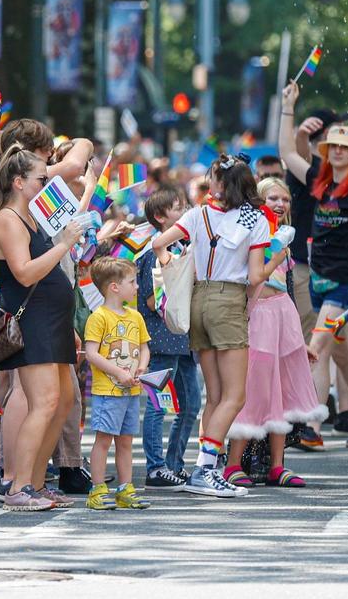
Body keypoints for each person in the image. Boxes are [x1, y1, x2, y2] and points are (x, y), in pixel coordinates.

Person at [278, 82, 348, 448]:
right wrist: (288, 108)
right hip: (317, 281)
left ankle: (310, 426)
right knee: (342, 355)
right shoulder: (319, 184)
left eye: (345, 148)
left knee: (316, 347)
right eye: (334, 146)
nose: (338, 152)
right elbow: (285, 152)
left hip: (342, 284)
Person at [153, 153, 268, 497]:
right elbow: (257, 274)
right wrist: (280, 252)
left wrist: (173, 267)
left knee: (215, 395)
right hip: (228, 301)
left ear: (221, 184)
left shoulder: (196, 214)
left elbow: (158, 243)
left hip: (198, 300)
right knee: (235, 395)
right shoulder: (255, 220)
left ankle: (204, 467)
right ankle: (205, 469)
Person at [0, 144, 82, 511]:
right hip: (33, 321)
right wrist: (66, 244)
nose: (47, 182)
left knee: (62, 402)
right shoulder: (8, 219)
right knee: (44, 403)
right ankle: (18, 486)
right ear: (19, 182)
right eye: (42, 178)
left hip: (51, 320)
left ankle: (36, 483)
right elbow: (24, 272)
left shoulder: (30, 216)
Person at [225, 177, 324, 488]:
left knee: (281, 390)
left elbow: (289, 287)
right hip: (258, 316)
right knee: (252, 387)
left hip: (285, 318)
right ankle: (232, 464)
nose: (280, 204)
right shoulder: (251, 235)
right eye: (273, 199)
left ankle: (277, 466)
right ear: (259, 202)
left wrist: (301, 341)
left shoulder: (286, 237)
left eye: (285, 199)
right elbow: (248, 281)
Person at [137, 187, 201, 489]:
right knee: (157, 404)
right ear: (161, 218)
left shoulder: (186, 248)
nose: (186, 210)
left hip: (185, 339)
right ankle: (155, 466)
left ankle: (174, 463)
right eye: (179, 207)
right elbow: (151, 301)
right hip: (162, 339)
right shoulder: (154, 254)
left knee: (191, 404)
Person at [82, 257, 151, 511]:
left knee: (125, 441)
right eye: (131, 282)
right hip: (108, 392)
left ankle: (125, 488)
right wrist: (118, 373)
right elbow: (92, 353)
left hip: (131, 391)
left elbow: (144, 347)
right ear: (114, 287)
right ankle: (97, 489)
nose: (136, 287)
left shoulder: (135, 317)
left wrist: (141, 366)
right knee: (103, 440)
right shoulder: (98, 318)